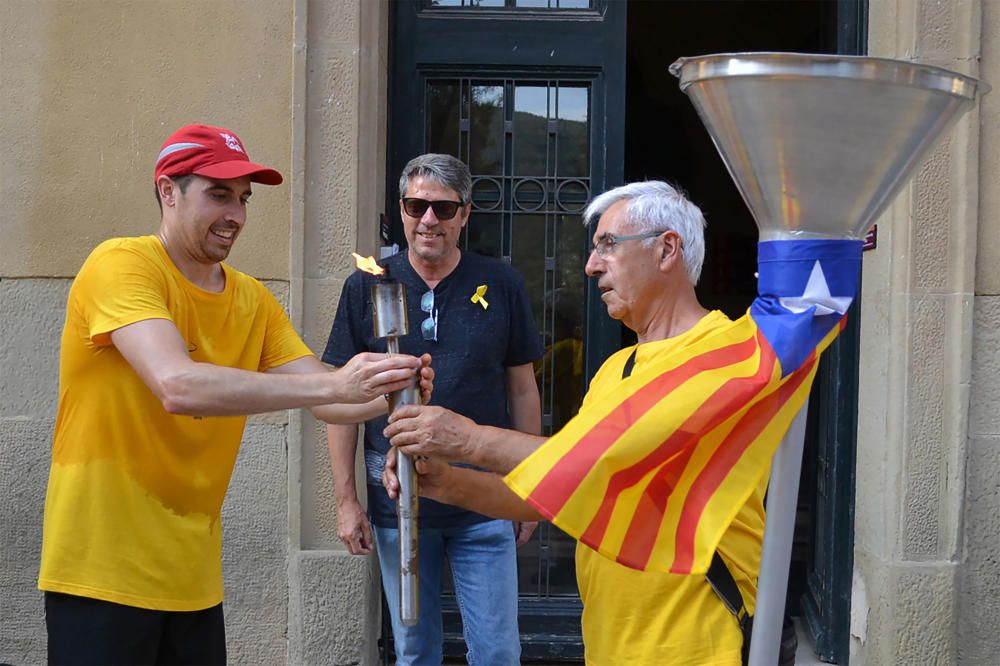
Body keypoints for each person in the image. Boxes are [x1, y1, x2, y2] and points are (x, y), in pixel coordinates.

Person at [37, 123, 432, 666]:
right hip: (101, 572)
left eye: (243, 199)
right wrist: (335, 383)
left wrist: (392, 391)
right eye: (218, 194)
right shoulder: (121, 264)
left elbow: (324, 399)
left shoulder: (252, 300)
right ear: (167, 191)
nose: (236, 215)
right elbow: (177, 384)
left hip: (193, 581)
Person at [383, 180, 765, 665]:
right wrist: (442, 481)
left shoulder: (728, 354)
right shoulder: (616, 369)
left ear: (668, 248)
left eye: (608, 244)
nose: (590, 265)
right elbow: (559, 492)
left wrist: (463, 438)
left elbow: (597, 464)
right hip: (610, 642)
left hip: (695, 646)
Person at [322, 153, 543, 666]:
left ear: (465, 214)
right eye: (416, 205)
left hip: (484, 500)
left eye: (443, 210)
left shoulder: (501, 282)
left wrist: (528, 485)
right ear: (401, 210)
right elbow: (338, 400)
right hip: (400, 501)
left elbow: (523, 390)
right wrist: (345, 500)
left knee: (497, 652)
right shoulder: (369, 284)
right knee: (415, 651)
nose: (428, 220)